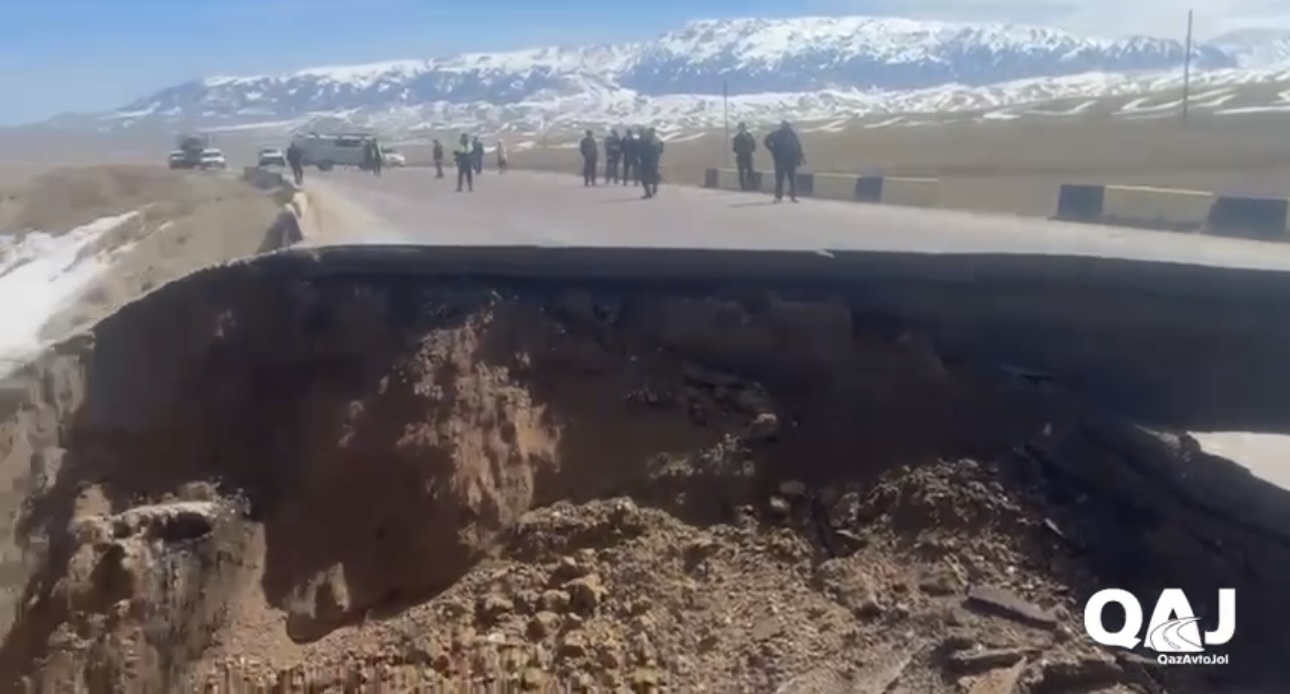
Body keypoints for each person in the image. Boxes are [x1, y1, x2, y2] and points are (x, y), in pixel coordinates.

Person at [763, 120, 805, 203]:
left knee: (792, 179)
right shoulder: (776, 134)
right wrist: (772, 150)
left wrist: (801, 156)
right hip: (780, 159)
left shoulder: (792, 134)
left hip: (791, 159)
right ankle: (778, 196)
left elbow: (798, 145)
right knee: (779, 179)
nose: (787, 127)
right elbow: (766, 141)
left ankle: (792, 196)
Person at [638, 127, 664, 199]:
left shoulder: (654, 141)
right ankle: (649, 191)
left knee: (648, 177)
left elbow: (659, 151)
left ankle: (651, 190)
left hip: (651, 161)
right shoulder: (647, 141)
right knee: (645, 178)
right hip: (646, 161)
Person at [732, 122, 757, 191]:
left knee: (750, 171)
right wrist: (740, 151)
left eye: (743, 127)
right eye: (740, 127)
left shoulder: (749, 136)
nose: (742, 129)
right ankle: (743, 186)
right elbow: (734, 148)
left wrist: (749, 151)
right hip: (741, 156)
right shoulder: (737, 138)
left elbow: (753, 145)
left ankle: (751, 185)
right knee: (741, 172)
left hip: (748, 156)